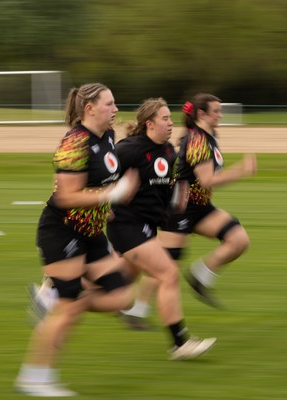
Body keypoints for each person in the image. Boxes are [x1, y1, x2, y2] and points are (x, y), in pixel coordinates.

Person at [14, 82, 140, 397]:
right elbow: (68, 196)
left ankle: (52, 297)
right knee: (67, 309)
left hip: (90, 232)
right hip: (62, 231)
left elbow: (98, 181)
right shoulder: (74, 142)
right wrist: (112, 194)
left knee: (121, 297)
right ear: (90, 108)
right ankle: (34, 377)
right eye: (109, 104)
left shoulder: (107, 136)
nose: (115, 109)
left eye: (115, 103)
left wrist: (106, 207)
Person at [118, 93, 257, 327]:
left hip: (200, 207)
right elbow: (207, 180)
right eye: (216, 111)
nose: (220, 115)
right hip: (180, 208)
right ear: (201, 114)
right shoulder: (197, 140)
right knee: (165, 264)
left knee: (238, 239)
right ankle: (135, 309)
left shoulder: (209, 137)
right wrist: (241, 170)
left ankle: (200, 276)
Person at [106, 97, 217, 359]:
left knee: (116, 285)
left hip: (145, 227)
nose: (171, 123)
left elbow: (166, 191)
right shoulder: (128, 150)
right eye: (165, 118)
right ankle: (180, 344)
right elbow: (100, 177)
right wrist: (109, 198)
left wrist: (177, 201)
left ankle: (58, 288)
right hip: (125, 225)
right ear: (149, 124)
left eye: (170, 118)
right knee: (168, 274)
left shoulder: (168, 151)